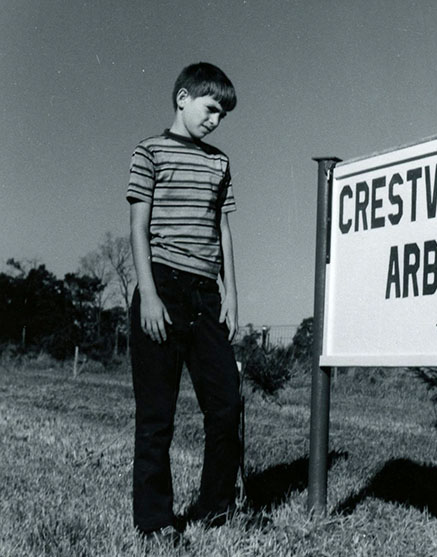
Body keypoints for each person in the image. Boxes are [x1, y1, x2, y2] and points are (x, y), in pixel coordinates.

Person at [126, 62, 241, 542]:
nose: (215, 120)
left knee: (226, 406)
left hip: (206, 295)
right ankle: (155, 522)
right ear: (183, 98)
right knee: (157, 415)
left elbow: (224, 230)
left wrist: (231, 293)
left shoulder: (219, 163)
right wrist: (148, 294)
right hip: (163, 290)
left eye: (222, 115)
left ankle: (214, 509)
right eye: (210, 109)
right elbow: (138, 227)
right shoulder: (149, 152)